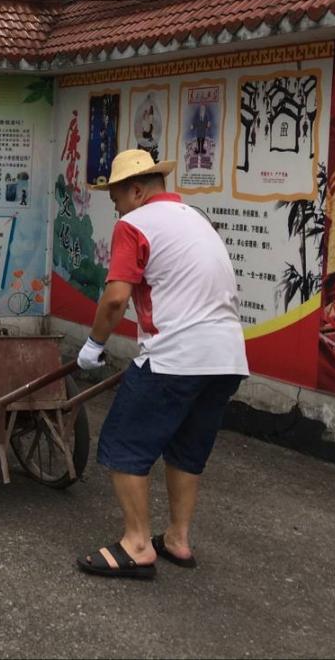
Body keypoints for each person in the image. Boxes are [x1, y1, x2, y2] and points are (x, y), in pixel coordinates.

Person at [75, 149, 248, 579]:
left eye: (115, 196)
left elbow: (116, 297)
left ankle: (136, 544)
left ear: (136, 191)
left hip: (176, 356)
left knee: (121, 445)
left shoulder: (134, 223)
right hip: (227, 357)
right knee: (187, 449)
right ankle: (177, 539)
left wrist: (94, 344)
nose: (114, 206)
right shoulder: (195, 218)